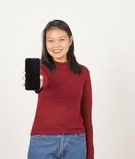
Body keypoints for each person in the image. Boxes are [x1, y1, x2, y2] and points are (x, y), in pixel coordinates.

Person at [22, 20, 94, 159]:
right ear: (45, 43)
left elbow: (87, 116)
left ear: (70, 40)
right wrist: (38, 83)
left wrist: (90, 154)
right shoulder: (42, 69)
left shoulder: (83, 72)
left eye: (61, 39)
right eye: (50, 40)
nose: (56, 45)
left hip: (76, 142)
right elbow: (43, 81)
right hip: (43, 142)